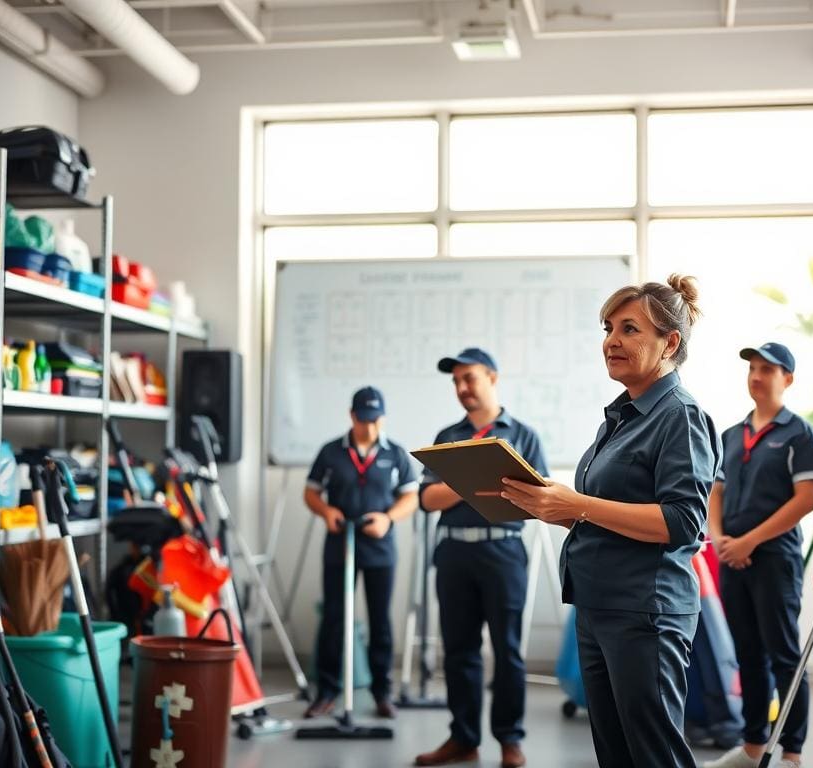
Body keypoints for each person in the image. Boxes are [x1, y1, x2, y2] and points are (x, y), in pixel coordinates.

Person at [501, 275, 719, 768]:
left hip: (645, 612)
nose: (611, 341)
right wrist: (551, 507)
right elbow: (606, 512)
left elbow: (683, 521)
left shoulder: (679, 417)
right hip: (600, 607)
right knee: (616, 756)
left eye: (629, 329)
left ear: (670, 343)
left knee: (654, 755)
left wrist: (576, 505)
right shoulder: (621, 417)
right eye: (607, 328)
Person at [414, 347, 548, 768]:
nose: (462, 388)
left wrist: (462, 480)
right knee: (458, 650)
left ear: (492, 377)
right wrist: (474, 479)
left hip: (502, 551)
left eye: (468, 378)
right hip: (453, 551)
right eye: (455, 381)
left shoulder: (522, 435)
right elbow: (428, 499)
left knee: (507, 650)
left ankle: (509, 740)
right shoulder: (446, 436)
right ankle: (463, 738)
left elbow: (538, 501)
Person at [704, 343, 813, 768]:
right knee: (747, 652)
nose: (756, 375)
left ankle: (791, 752)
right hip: (732, 557)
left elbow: (805, 500)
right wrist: (718, 538)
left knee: (784, 654)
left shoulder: (799, 433)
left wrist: (749, 540)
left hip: (774, 558)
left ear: (786, 379)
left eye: (767, 369)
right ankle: (754, 745)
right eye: (752, 368)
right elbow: (715, 493)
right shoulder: (731, 435)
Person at [302, 386, 419, 719]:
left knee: (381, 621)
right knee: (335, 619)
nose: (369, 427)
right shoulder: (331, 452)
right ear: (352, 416)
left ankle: (382, 693)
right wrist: (326, 513)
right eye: (363, 419)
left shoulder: (395, 453)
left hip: (379, 548)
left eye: (375, 420)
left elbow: (410, 498)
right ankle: (326, 691)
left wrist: (388, 519)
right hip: (340, 545)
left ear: (382, 418)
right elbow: (310, 493)